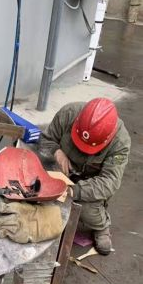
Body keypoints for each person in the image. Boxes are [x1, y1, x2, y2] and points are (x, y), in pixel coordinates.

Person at [39, 98, 131, 255]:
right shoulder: (68, 113)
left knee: (86, 209)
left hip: (90, 183)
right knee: (36, 176)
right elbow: (45, 139)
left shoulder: (120, 143)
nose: (83, 150)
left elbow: (109, 182)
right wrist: (56, 151)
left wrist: (74, 191)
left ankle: (101, 226)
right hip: (61, 169)